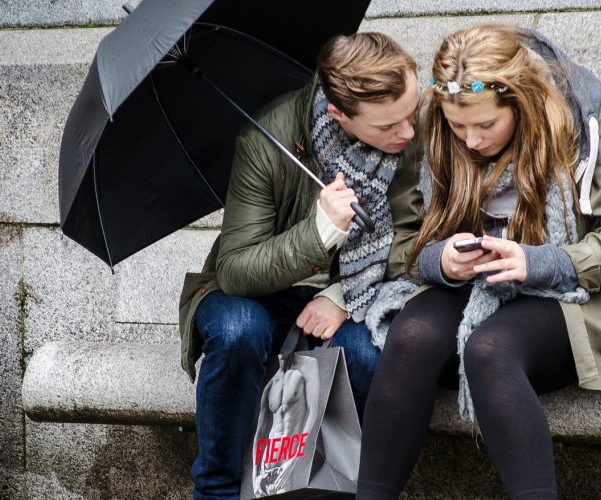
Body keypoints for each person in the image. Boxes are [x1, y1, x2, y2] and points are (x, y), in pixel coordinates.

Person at [356, 24, 601, 499]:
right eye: (459, 126)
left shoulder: (588, 121)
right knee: (411, 334)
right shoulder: (434, 131)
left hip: (572, 295)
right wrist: (441, 261)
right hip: (472, 287)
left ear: (520, 99)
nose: (471, 141)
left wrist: (537, 263)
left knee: (488, 350)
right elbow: (406, 244)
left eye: (486, 125)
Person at [176, 32, 422, 500]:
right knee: (236, 332)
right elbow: (236, 270)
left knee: (367, 354)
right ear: (338, 113)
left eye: (411, 112)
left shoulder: (414, 133)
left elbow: (420, 233)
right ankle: (216, 489)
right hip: (252, 293)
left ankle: (334, 489)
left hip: (357, 292)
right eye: (389, 125)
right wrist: (320, 233)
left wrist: (343, 295)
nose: (408, 132)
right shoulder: (264, 142)